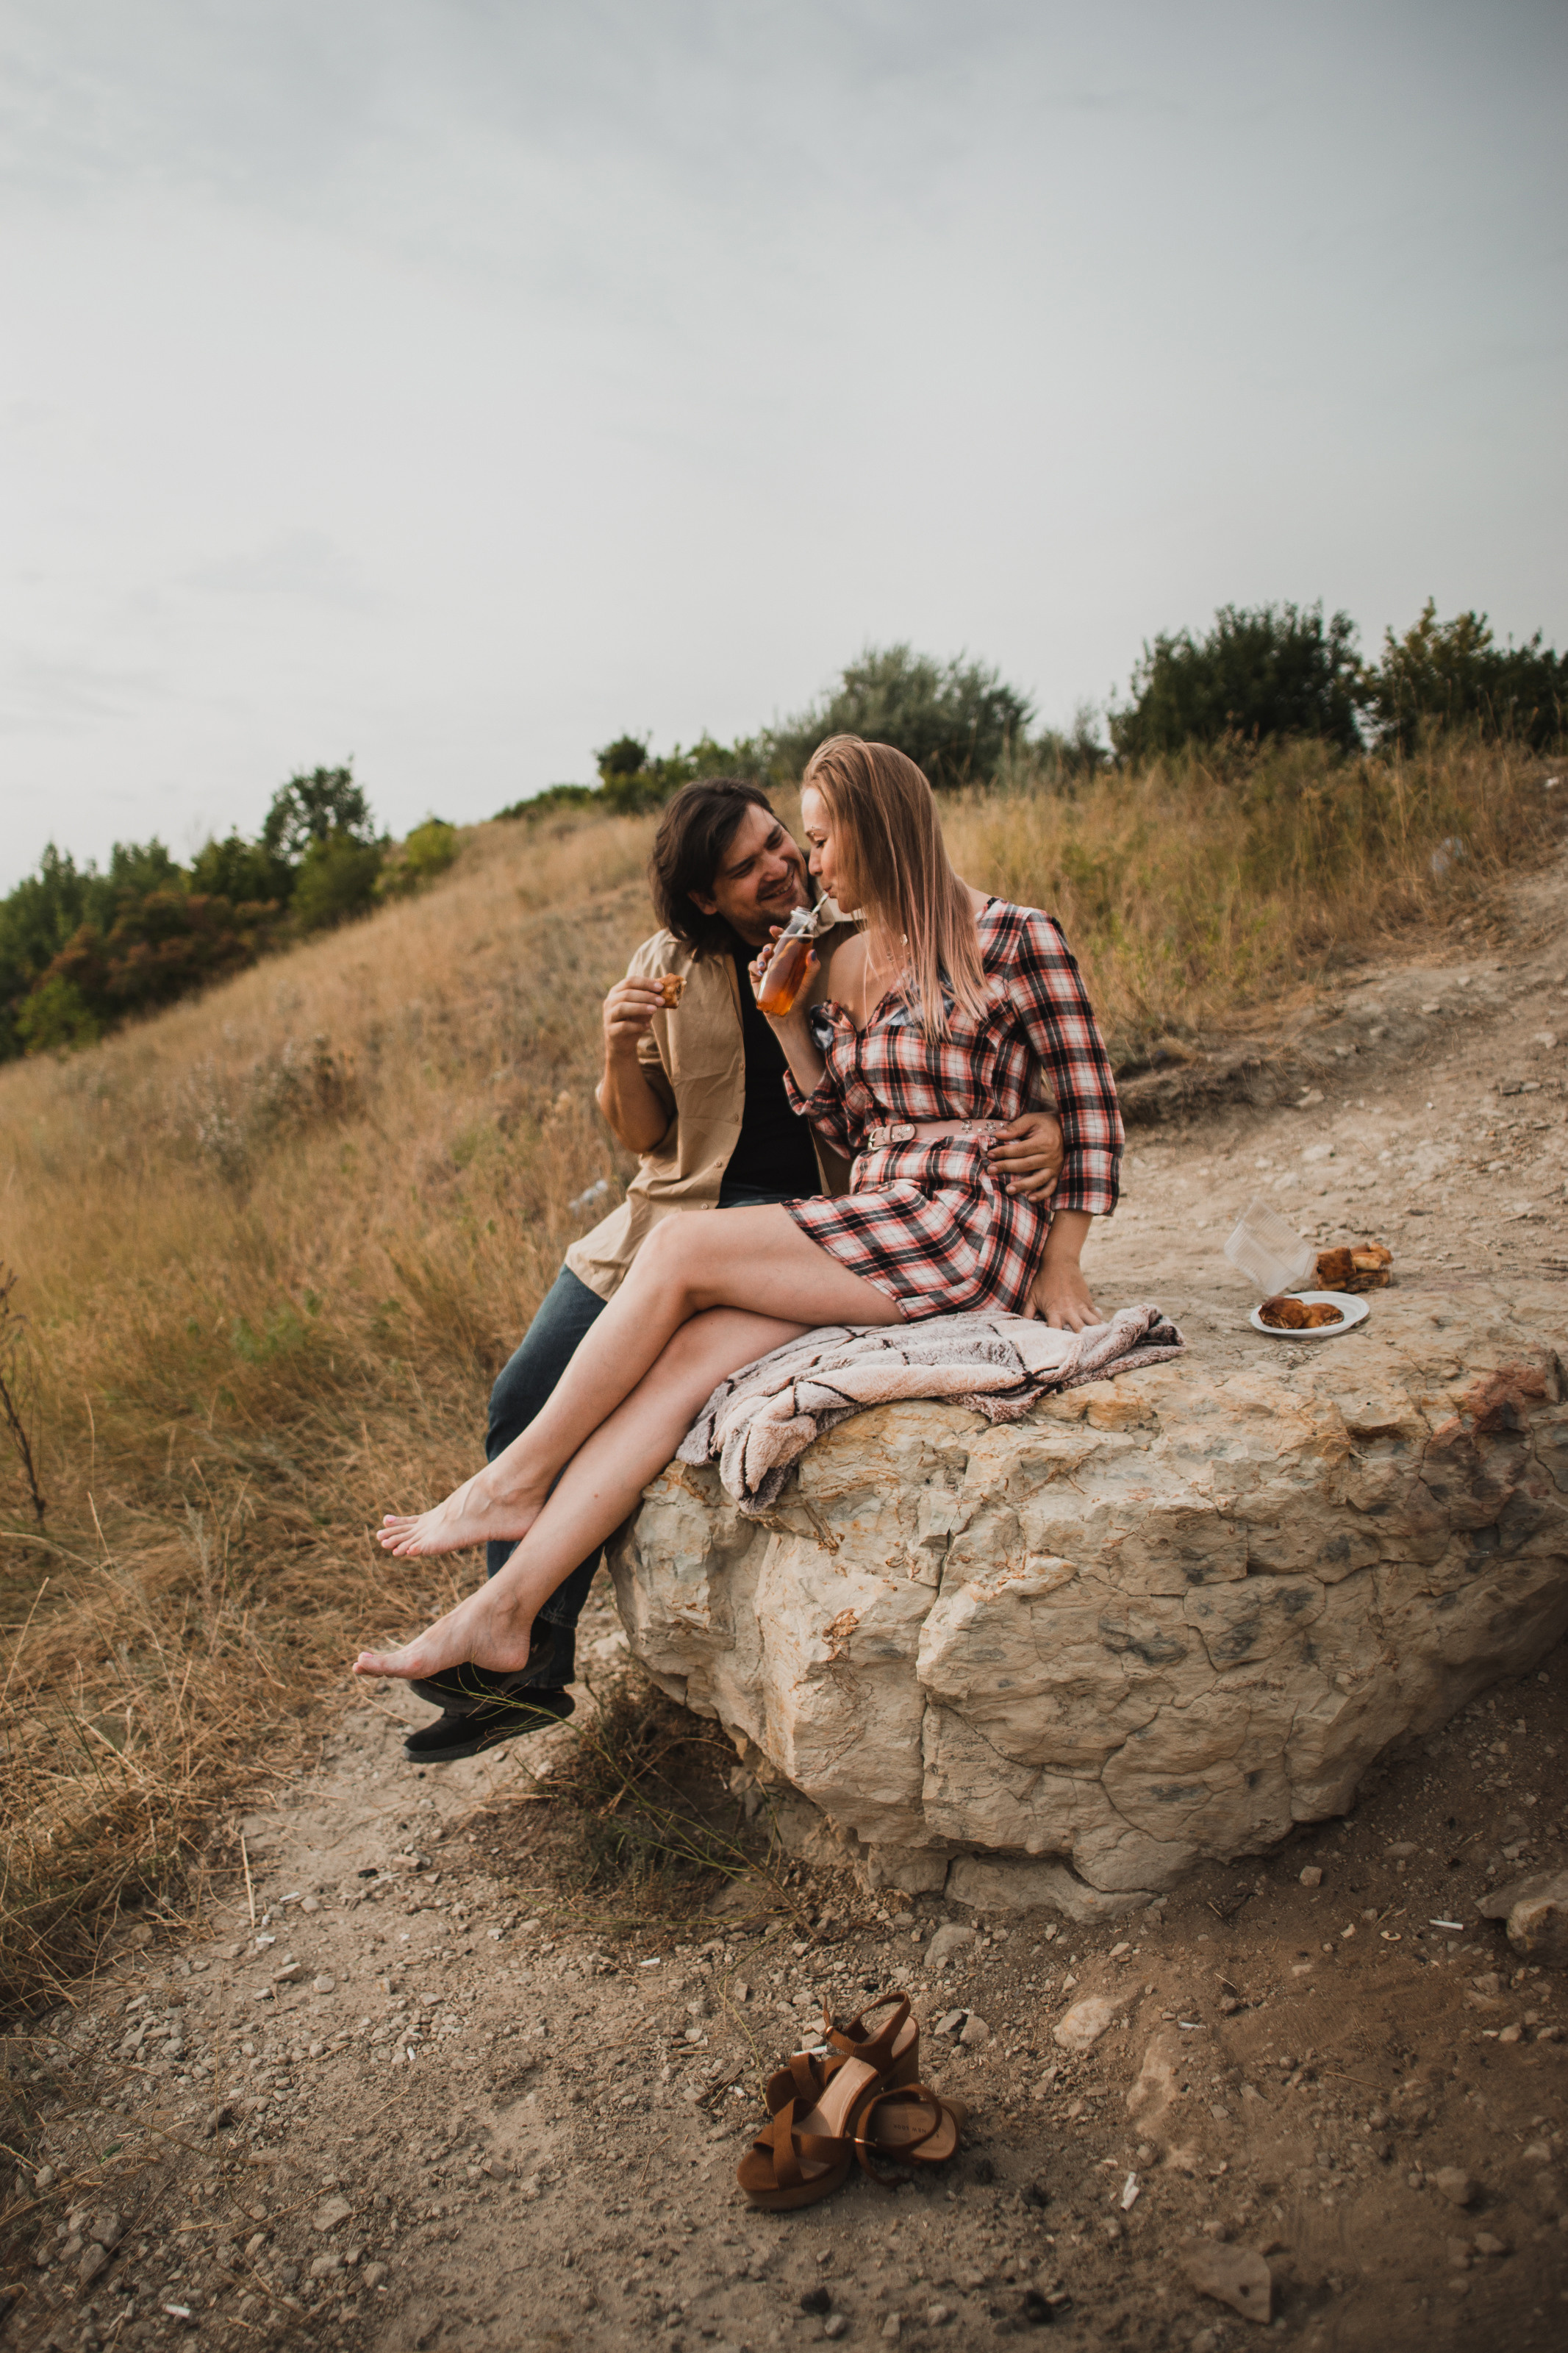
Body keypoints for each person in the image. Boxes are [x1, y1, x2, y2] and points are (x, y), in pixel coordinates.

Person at [361, 736, 1123, 1704]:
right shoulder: (844, 963)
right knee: (683, 1369)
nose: (808, 864)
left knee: (680, 1253)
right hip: (882, 1211)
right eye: (787, 846)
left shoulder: (1016, 937)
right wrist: (780, 1022)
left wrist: (1061, 1263)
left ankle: (513, 1483)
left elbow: (1092, 1104)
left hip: (960, 1222)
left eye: (812, 840)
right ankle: (509, 1614)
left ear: (872, 830)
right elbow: (849, 1126)